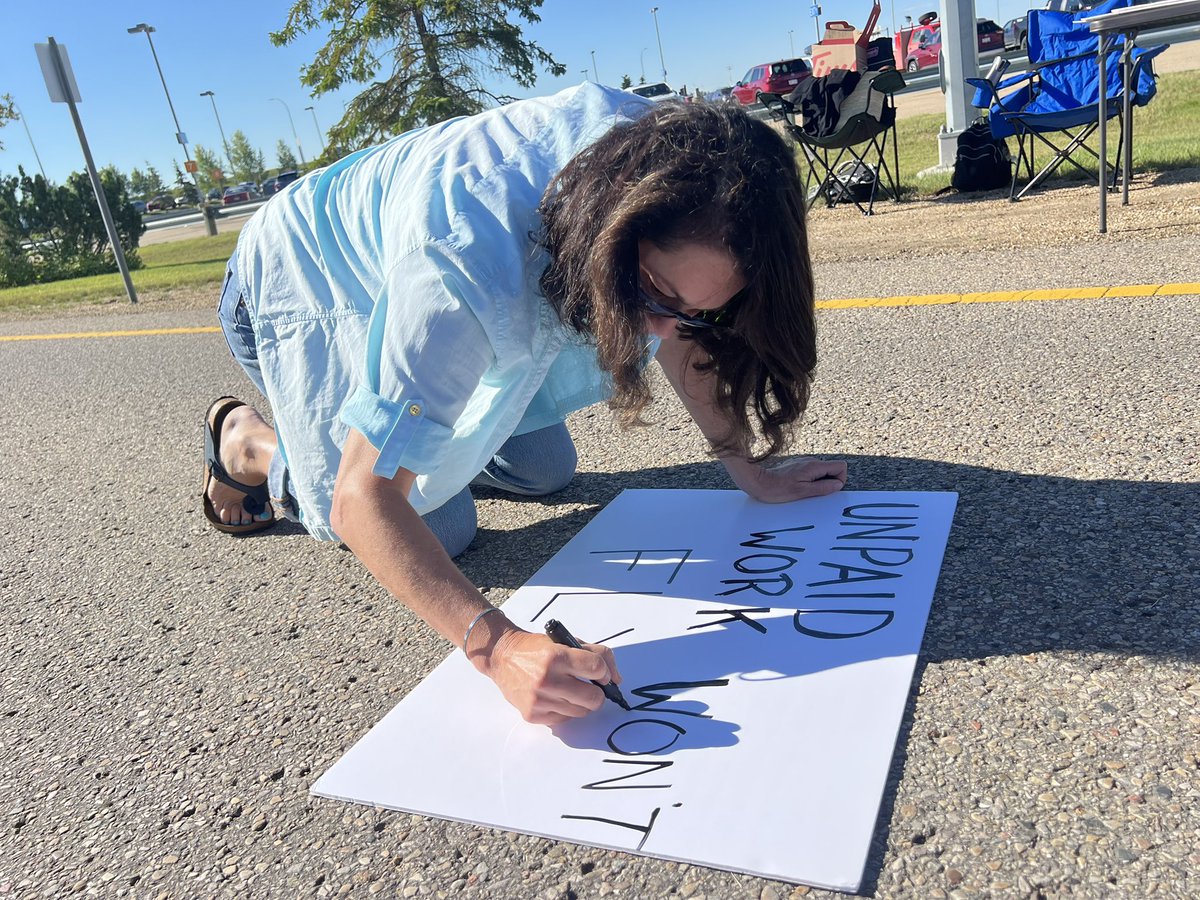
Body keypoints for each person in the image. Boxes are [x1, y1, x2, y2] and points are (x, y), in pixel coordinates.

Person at [202, 83, 847, 726]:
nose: (663, 332)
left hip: (420, 251)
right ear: (609, 231)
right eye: (653, 296)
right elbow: (361, 502)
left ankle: (433, 430)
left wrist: (748, 470)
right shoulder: (461, 272)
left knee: (545, 470)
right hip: (294, 281)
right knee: (440, 527)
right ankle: (250, 442)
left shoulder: (691, 168)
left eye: (697, 312)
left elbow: (681, 322)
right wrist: (498, 646)